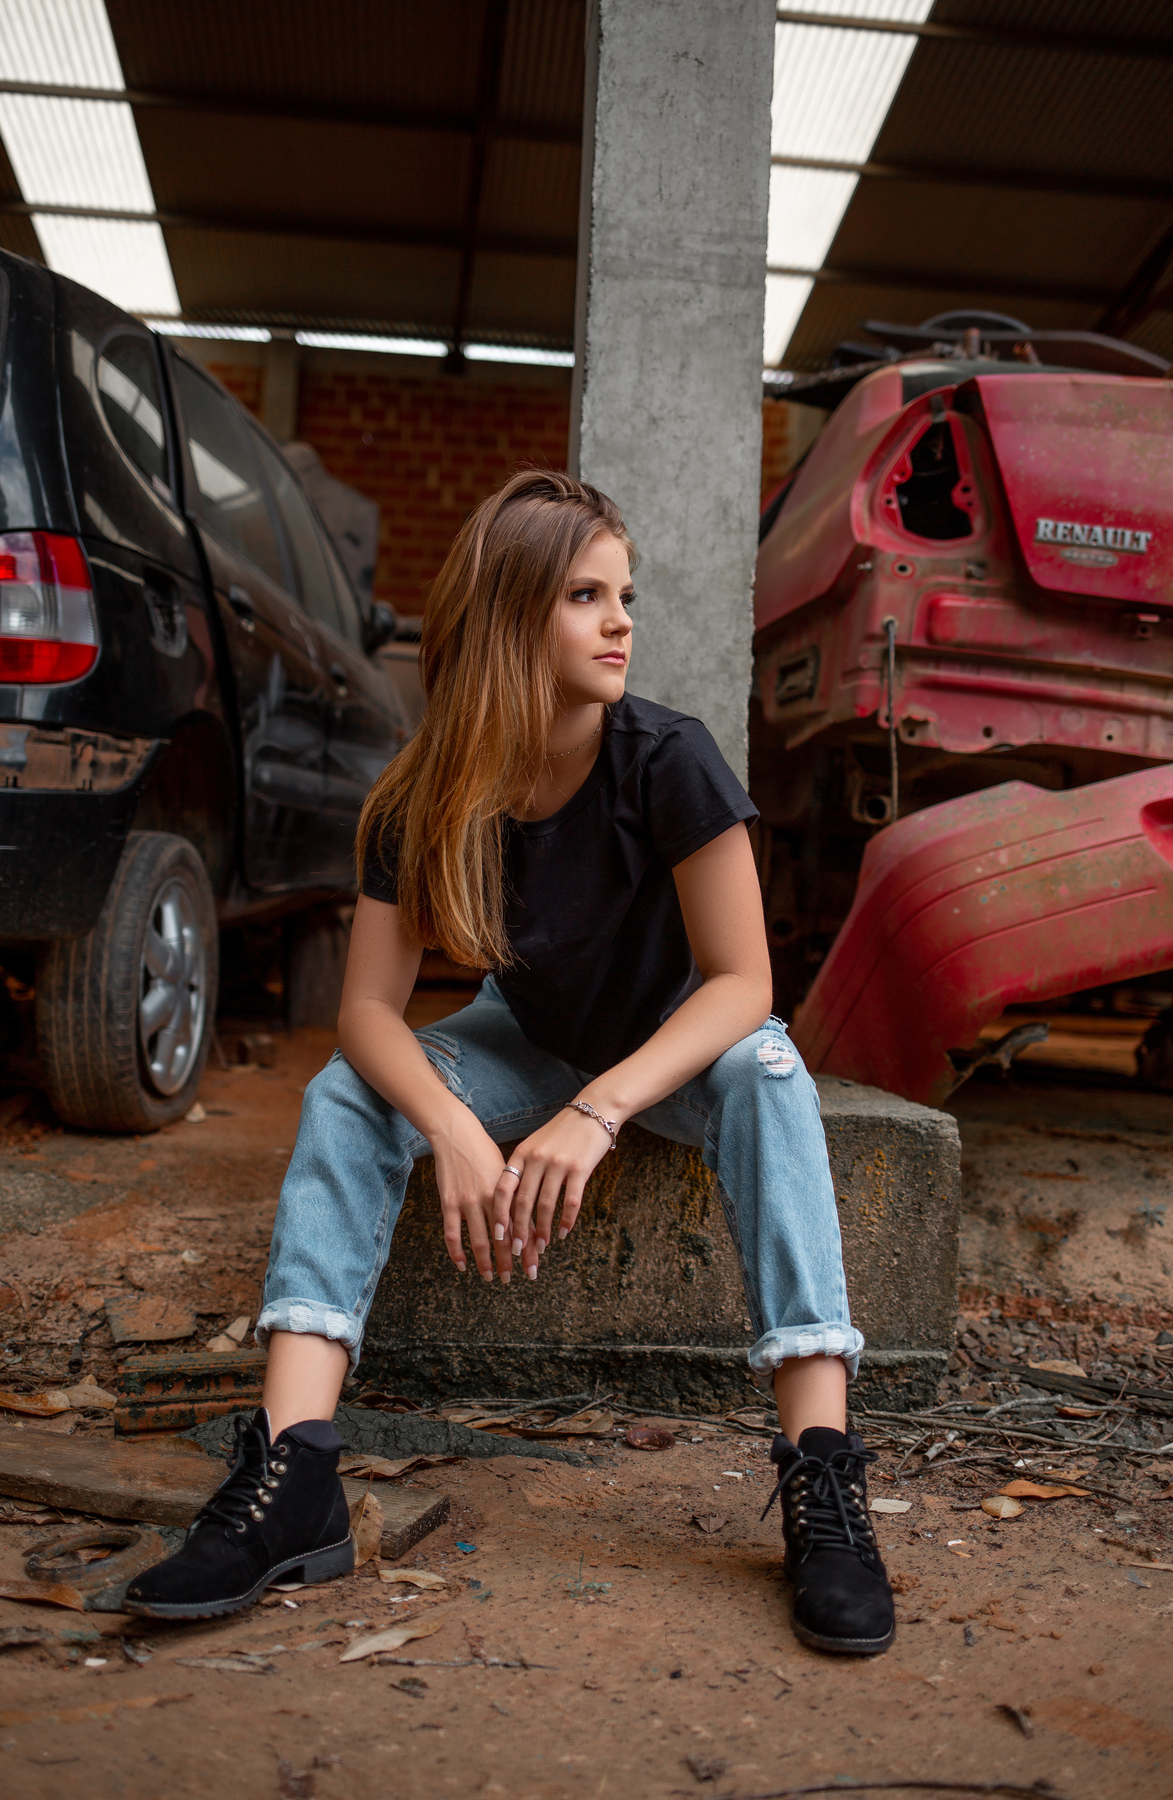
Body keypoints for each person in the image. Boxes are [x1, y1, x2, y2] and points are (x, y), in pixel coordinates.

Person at [125, 470, 895, 1655]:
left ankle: (823, 1471)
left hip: (676, 1043)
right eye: (586, 595)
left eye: (624, 593)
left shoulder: (668, 761)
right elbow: (369, 1013)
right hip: (523, 1037)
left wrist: (596, 1112)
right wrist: (449, 1123)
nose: (623, 619)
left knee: (769, 1073)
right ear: (504, 617)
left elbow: (745, 986)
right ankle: (293, 1475)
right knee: (349, 1098)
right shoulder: (424, 795)